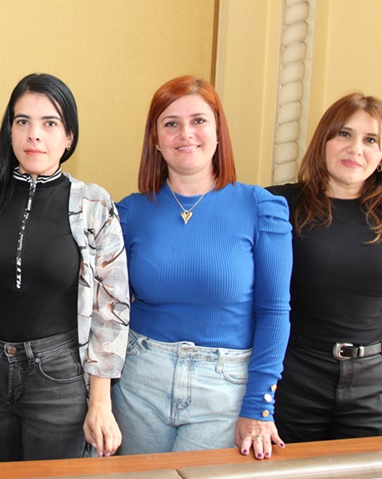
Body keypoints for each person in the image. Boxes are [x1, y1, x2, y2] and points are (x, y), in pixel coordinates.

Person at [0, 73, 130, 463]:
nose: (34, 135)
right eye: (23, 122)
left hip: (59, 378)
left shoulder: (93, 205)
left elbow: (112, 308)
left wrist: (100, 401)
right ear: (10, 131)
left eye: (49, 123)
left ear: (69, 136)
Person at [111, 76, 292, 460]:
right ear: (156, 140)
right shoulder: (128, 213)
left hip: (225, 388)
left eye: (199, 121)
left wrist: (260, 405)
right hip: (140, 381)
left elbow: (275, 312)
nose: (185, 133)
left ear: (218, 132)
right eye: (171, 123)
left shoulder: (261, 208)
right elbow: (108, 307)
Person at [267, 93, 382, 442]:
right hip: (294, 375)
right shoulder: (279, 206)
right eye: (344, 134)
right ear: (324, 142)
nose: (356, 149)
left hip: (373, 384)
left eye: (370, 140)